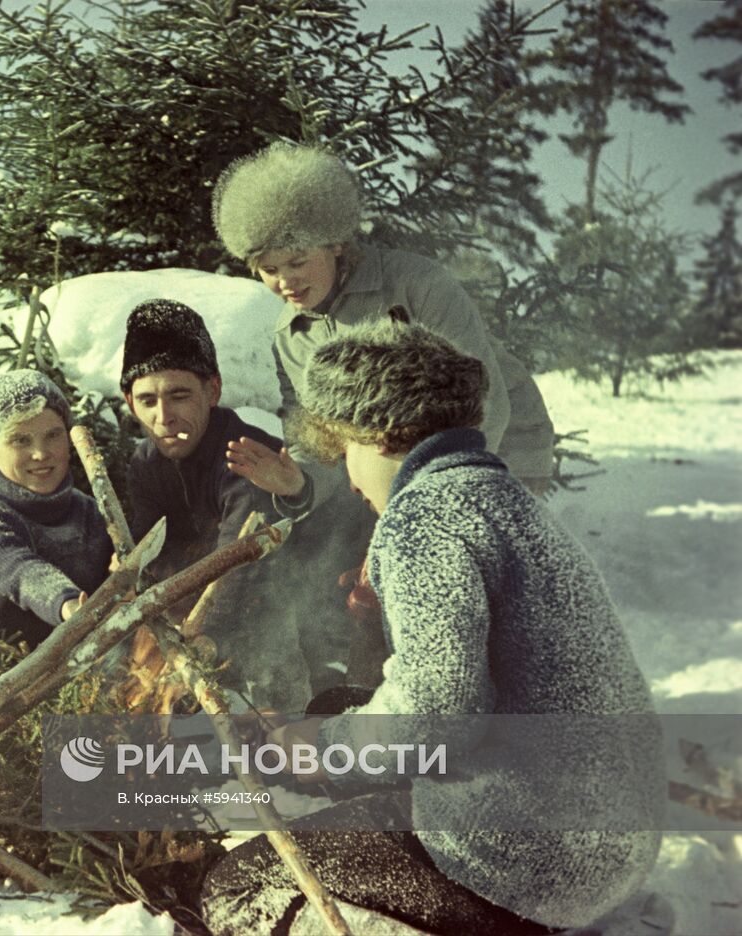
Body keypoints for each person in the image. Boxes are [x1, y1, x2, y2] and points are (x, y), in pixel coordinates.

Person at [202, 320, 663, 936]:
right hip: (612, 843)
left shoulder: (422, 514)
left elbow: (438, 715)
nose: (352, 478)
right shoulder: (500, 494)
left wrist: (321, 746)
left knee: (238, 887)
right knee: (339, 703)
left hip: (529, 865)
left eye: (346, 453)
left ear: (386, 435)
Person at [211, 141, 557, 684]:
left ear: (336, 243)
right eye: (267, 268)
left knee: (486, 589)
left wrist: (425, 507)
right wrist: (297, 481)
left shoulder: (415, 284)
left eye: (297, 261)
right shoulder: (291, 338)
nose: (284, 282)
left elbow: (484, 399)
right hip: (396, 475)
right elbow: (321, 448)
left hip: (502, 446)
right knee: (401, 597)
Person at [121, 299, 339, 715]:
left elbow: (240, 559)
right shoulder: (145, 462)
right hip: (200, 603)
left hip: (275, 598)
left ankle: (292, 742)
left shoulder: (243, 455)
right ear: (130, 402)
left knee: (272, 662)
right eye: (147, 400)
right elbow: (155, 547)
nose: (163, 416)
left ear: (212, 389)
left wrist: (210, 634)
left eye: (179, 395)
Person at [0, 369, 111, 650]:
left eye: (53, 435)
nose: (41, 453)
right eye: (20, 440)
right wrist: (66, 603)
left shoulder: (88, 511)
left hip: (70, 670)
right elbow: (18, 571)